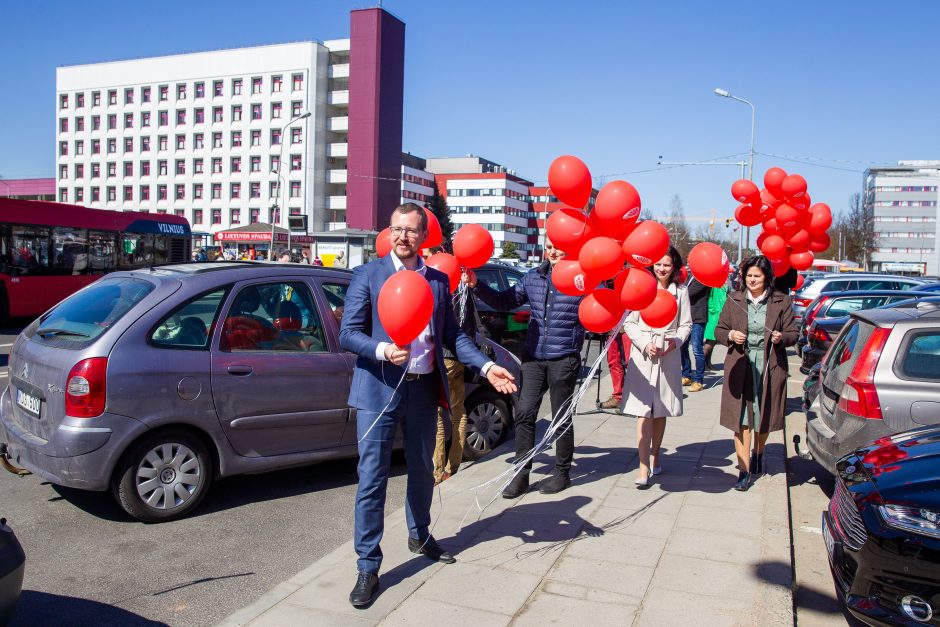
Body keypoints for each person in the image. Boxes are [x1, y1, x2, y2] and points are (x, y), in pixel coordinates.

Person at [339, 203, 517, 608]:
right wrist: (383, 349)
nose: (404, 237)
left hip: (423, 390)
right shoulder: (368, 275)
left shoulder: (438, 281)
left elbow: (454, 337)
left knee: (423, 470)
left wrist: (487, 366)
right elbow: (348, 334)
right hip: (378, 392)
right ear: (389, 231)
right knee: (372, 479)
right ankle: (368, 564)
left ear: (424, 236)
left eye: (412, 231)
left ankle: (419, 534)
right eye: (397, 229)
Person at [466, 236, 585, 498]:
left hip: (564, 357)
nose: (553, 251)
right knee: (524, 413)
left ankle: (562, 473)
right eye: (550, 246)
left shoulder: (581, 280)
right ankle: (521, 475)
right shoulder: (533, 277)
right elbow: (504, 301)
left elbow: (597, 308)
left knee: (560, 417)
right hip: (533, 356)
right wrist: (477, 285)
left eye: (559, 246)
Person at [714, 255, 797, 492]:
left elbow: (794, 333)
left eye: (756, 276)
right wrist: (730, 336)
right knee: (742, 419)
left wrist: (782, 338)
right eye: (748, 275)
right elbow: (719, 330)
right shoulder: (735, 299)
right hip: (741, 364)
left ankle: (759, 452)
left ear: (766, 278)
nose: (752, 280)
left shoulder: (782, 301)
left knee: (763, 418)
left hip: (769, 365)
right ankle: (743, 470)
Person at [621, 247, 692, 488]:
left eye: (667, 265)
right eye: (658, 264)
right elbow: (629, 324)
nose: (662, 269)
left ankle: (656, 455)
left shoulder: (680, 292)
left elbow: (686, 325)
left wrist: (676, 342)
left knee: (660, 410)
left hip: (668, 356)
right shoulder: (641, 288)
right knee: (643, 410)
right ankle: (642, 465)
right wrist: (643, 343)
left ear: (674, 268)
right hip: (643, 356)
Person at [680, 276, 711, 392]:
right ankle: (687, 375)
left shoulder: (703, 279)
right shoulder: (690, 277)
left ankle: (698, 380)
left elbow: (688, 293)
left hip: (698, 318)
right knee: (683, 347)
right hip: (687, 318)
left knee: (697, 350)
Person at [600, 331, 630, 409]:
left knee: (631, 363)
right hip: (612, 330)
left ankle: (633, 400)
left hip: (630, 328)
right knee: (614, 363)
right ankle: (618, 398)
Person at [703, 284, 728, 371]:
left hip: (721, 314)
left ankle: (708, 363)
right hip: (714, 316)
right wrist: (713, 309)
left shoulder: (724, 283)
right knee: (710, 341)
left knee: (713, 342)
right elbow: (709, 297)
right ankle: (701, 365)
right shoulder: (714, 284)